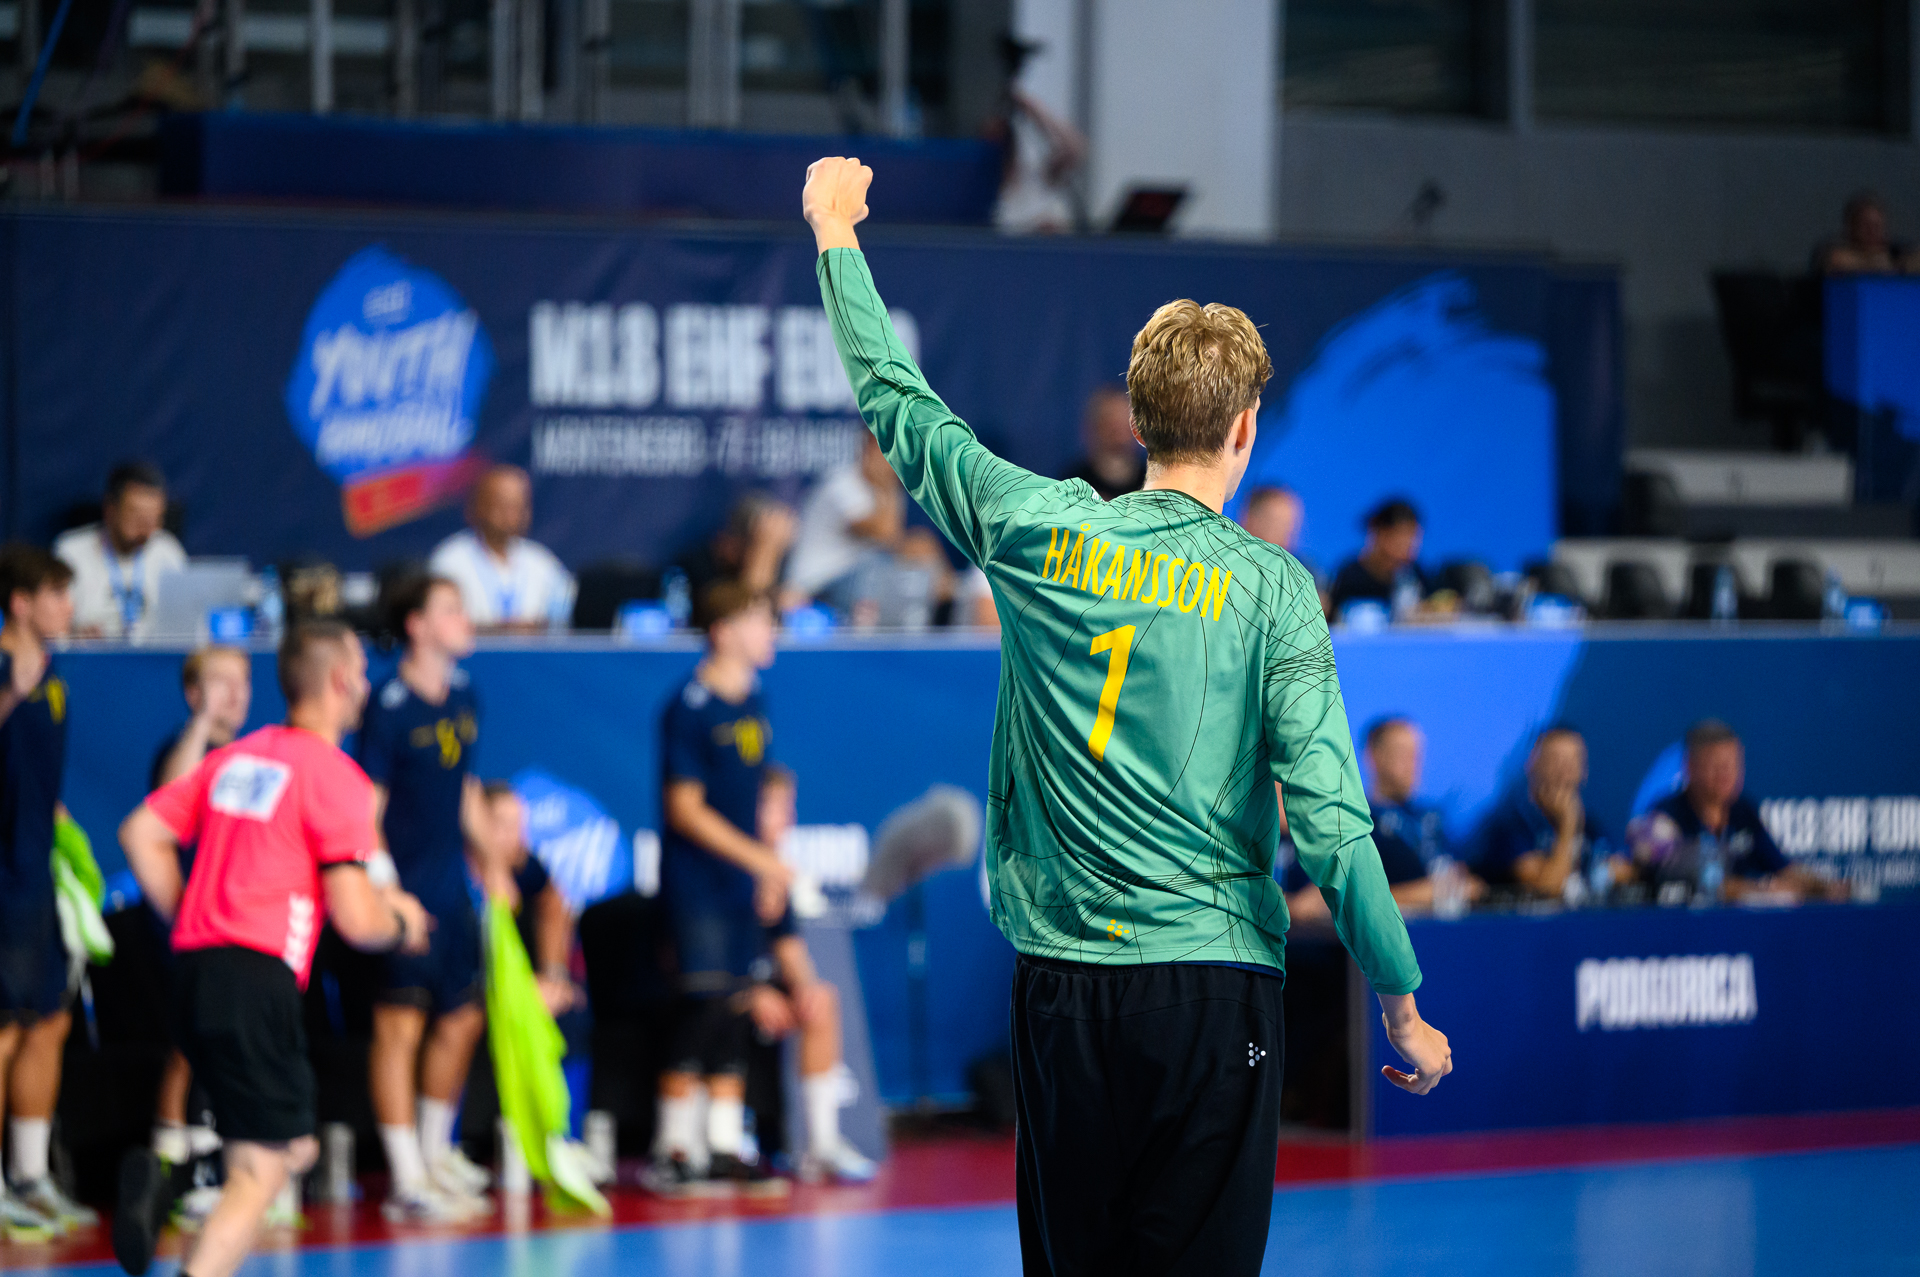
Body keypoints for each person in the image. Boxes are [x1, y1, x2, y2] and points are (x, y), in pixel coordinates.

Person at [805, 156, 1448, 1274]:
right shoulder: (1274, 589)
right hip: (1215, 987)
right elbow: (1333, 823)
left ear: (1142, 420)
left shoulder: (1037, 528)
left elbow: (898, 405)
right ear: (1244, 429)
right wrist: (1399, 998)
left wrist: (834, 234)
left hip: (1063, 991)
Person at [113, 620, 433, 1277]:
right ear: (340, 681)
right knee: (263, 1166)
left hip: (195, 969)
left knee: (293, 1146)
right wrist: (403, 924)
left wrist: (192, 917)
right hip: (256, 977)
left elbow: (140, 832)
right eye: (360, 672)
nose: (366, 685)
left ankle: (176, 1177)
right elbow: (356, 919)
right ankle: (180, 1202)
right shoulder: (336, 775)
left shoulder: (239, 757)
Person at [649, 581, 793, 1194]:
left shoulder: (754, 698)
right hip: (698, 885)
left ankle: (724, 1145)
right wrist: (760, 860)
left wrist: (765, 869)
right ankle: (674, 1149)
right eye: (758, 620)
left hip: (740, 883)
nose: (770, 632)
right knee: (703, 1007)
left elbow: (755, 798)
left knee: (736, 1009)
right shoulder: (690, 706)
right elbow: (684, 810)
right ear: (722, 631)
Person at [356, 574, 492, 1221]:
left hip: (453, 887)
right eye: (451, 608)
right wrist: (386, 891)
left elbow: (464, 789)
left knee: (463, 1017)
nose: (466, 618)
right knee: (399, 1026)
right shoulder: (387, 706)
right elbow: (366, 811)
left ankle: (436, 1157)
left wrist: (494, 862)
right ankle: (406, 1178)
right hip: (403, 891)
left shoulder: (465, 695)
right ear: (416, 624)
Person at [0, 545, 91, 1239]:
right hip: (1, 880)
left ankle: (31, 1176)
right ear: (21, 603)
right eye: (57, 594)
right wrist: (10, 692)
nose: (69, 607)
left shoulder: (52, 673)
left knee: (49, 1020)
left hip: (38, 875)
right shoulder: (9, 670)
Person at [148, 645, 256, 1224]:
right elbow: (168, 805)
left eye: (242, 682)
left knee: (224, 1048)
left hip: (239, 927)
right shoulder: (183, 752)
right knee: (187, 1048)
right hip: (189, 928)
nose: (234, 693)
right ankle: (169, 1172)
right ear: (193, 693)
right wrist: (201, 722)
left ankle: (216, 1173)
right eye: (220, 682)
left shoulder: (249, 759)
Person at [747, 766, 877, 1184]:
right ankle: (730, 1142)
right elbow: (714, 957)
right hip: (722, 990)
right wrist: (751, 994)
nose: (788, 819)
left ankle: (820, 1146)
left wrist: (805, 987)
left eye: (790, 807)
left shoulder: (778, 870)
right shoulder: (727, 865)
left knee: (821, 999)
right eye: (776, 807)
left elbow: (787, 945)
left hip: (761, 985)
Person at [1629, 720, 1847, 904]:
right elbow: (1693, 883)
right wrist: (1759, 890)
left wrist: (1824, 886)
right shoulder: (1665, 817)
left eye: (1733, 764)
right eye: (1715, 765)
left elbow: (1781, 868)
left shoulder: (1743, 811)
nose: (1726, 774)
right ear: (1690, 767)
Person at [1284, 717, 1482, 918]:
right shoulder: (1352, 822)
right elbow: (1313, 902)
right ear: (1374, 756)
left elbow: (1471, 884)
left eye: (1416, 755)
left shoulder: (1431, 818)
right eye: (1402, 754)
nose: (1412, 764)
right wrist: (1424, 894)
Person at [784, 435, 949, 624]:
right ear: (867, 450)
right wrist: (887, 487)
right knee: (877, 569)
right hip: (813, 588)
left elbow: (894, 542)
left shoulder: (883, 488)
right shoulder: (843, 483)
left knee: (919, 549)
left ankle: (948, 611)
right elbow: (885, 534)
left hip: (851, 581)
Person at [1473, 725, 1626, 900]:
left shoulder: (1591, 827)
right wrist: (1567, 826)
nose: (1565, 772)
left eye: (1574, 761)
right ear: (1532, 765)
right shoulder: (1508, 827)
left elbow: (1623, 871)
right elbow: (1549, 890)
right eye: (1556, 761)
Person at [429, 465, 575, 634]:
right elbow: (439, 626)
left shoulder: (541, 562)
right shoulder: (449, 560)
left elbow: (567, 617)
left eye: (519, 506)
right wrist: (501, 631)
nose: (512, 515)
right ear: (477, 507)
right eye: (502, 505)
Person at [53, 462, 187, 640]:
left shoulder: (168, 551)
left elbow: (186, 622)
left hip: (153, 653)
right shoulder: (70, 552)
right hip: (92, 653)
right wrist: (75, 636)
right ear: (110, 509)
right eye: (136, 515)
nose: (145, 528)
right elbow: (51, 628)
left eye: (153, 518)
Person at [674, 493, 799, 606]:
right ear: (730, 540)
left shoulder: (776, 563)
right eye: (753, 546)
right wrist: (764, 550)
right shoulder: (696, 568)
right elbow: (744, 611)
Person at [1328, 498, 1431, 620]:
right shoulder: (1349, 576)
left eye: (1413, 538)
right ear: (1381, 533)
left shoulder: (1414, 575)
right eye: (1402, 537)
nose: (1410, 546)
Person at [1062, 386, 1146, 502]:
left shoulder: (1157, 483)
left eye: (1125, 424)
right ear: (1093, 428)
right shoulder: (1073, 485)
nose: (1118, 434)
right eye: (1110, 423)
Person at [1815, 191, 1913, 275]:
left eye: (1877, 226)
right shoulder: (1834, 249)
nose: (1872, 231)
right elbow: (1833, 260)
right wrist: (1875, 263)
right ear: (1851, 227)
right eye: (1866, 225)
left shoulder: (1896, 251)